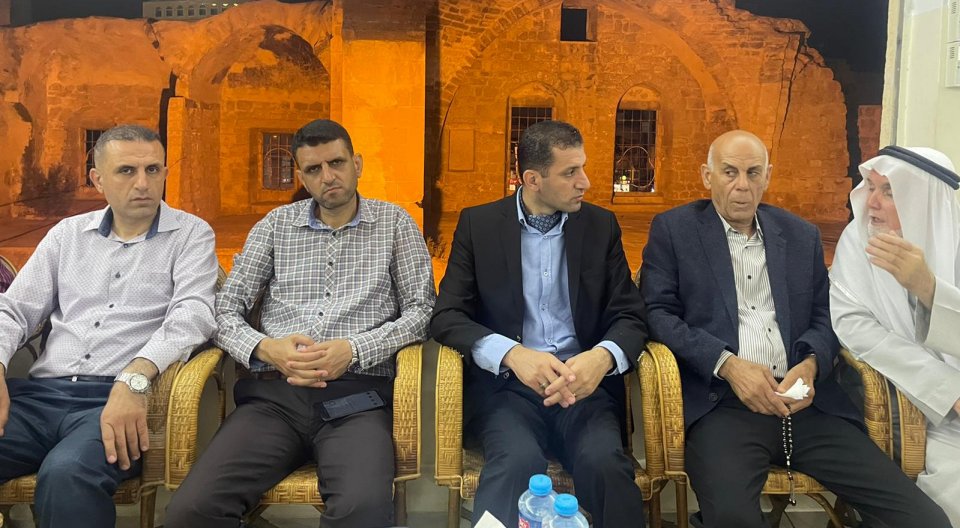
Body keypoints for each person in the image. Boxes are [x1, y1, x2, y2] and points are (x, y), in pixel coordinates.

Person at [639, 130, 950, 527]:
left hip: (806, 407)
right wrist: (728, 365)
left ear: (768, 176)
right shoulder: (675, 230)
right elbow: (658, 313)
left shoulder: (800, 235)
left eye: (753, 173)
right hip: (725, 407)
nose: (742, 185)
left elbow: (825, 313)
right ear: (707, 175)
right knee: (733, 518)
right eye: (730, 172)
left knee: (923, 518)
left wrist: (811, 364)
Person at [165, 119, 435, 528]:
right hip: (273, 399)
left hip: (357, 399)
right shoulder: (276, 226)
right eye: (313, 169)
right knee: (192, 511)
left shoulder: (395, 224)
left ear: (357, 164)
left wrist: (355, 350)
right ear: (301, 176)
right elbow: (223, 309)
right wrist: (266, 348)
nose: (328, 176)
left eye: (336, 163)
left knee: (363, 510)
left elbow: (423, 310)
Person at [431, 120, 647, 527]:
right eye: (570, 172)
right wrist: (512, 355)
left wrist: (601, 359)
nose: (585, 182)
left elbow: (631, 314)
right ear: (532, 179)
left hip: (583, 388)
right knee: (515, 462)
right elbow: (447, 316)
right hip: (507, 390)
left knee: (604, 463)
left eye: (583, 167)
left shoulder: (600, 226)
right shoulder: (479, 226)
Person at [0, 125, 218, 528]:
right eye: (126, 171)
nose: (143, 183)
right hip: (36, 399)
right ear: (97, 179)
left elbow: (193, 315)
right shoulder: (67, 235)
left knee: (68, 473)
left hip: (116, 402)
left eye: (153, 169)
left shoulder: (190, 234)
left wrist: (133, 378)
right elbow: (13, 310)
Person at [830, 146, 960, 525]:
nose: (872, 202)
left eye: (888, 191)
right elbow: (856, 329)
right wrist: (949, 391)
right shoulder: (858, 243)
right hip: (919, 414)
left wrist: (928, 288)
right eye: (870, 187)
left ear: (922, 201)